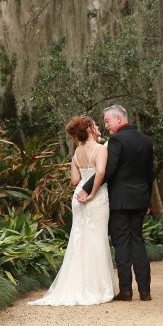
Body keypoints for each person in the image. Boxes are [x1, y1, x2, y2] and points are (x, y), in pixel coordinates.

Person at [27, 116, 117, 306]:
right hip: (95, 197)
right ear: (90, 130)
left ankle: (78, 285)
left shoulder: (76, 152)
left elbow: (74, 180)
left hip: (78, 197)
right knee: (97, 239)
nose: (98, 126)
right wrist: (92, 193)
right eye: (94, 124)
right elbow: (100, 172)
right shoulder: (101, 149)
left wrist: (83, 182)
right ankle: (98, 288)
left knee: (80, 241)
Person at [77, 105, 154, 301]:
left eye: (107, 121)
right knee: (137, 241)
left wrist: (85, 188)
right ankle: (145, 292)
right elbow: (149, 174)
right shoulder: (146, 141)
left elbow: (108, 170)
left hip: (120, 200)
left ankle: (126, 291)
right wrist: (148, 201)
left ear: (118, 119)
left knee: (121, 244)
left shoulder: (117, 140)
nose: (106, 125)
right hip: (140, 200)